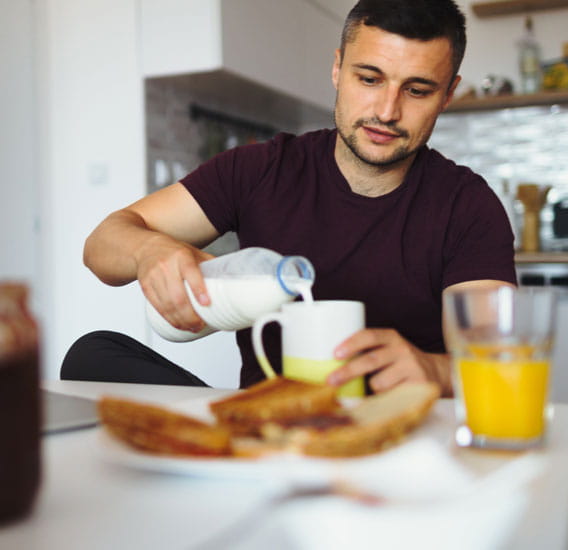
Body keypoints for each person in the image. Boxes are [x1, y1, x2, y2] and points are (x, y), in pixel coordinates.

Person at [61, 0, 516, 396]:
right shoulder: (261, 169)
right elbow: (100, 247)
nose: (386, 111)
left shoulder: (467, 206)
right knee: (92, 353)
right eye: (369, 78)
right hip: (269, 432)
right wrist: (149, 249)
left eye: (416, 90)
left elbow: (499, 364)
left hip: (395, 438)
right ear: (338, 68)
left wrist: (435, 369)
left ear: (448, 94)